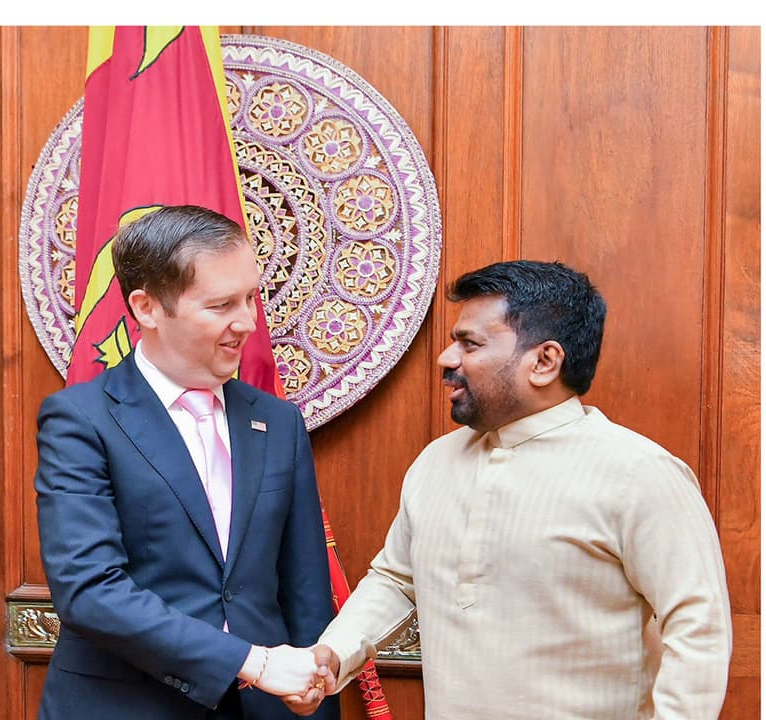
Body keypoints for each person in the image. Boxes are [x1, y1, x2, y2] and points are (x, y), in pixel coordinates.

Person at [289, 260, 733, 719]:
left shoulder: (641, 473)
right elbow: (396, 583)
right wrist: (334, 653)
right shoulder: (436, 462)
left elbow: (698, 630)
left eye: (470, 344)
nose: (446, 359)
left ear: (544, 362)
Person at [34, 205, 337, 720]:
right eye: (221, 305)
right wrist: (251, 663)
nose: (248, 322)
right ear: (147, 308)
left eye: (251, 298)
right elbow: (89, 589)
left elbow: (305, 588)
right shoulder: (80, 419)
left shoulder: (278, 421)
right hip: (127, 707)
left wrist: (312, 692)